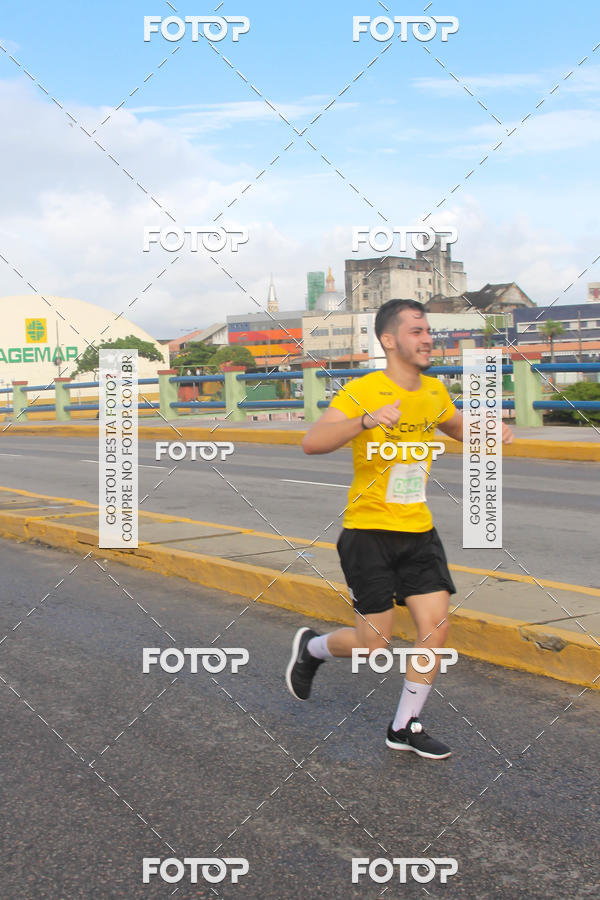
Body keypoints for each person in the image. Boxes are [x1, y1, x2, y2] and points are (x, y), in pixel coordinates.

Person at [286, 299, 514, 759]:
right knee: (374, 644)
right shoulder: (363, 390)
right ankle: (313, 649)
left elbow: (454, 425)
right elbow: (313, 442)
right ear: (389, 340)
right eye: (416, 331)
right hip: (368, 532)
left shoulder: (433, 391)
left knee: (436, 628)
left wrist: (489, 430)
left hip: (418, 530)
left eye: (428, 330)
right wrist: (365, 421)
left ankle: (404, 726)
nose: (428, 338)